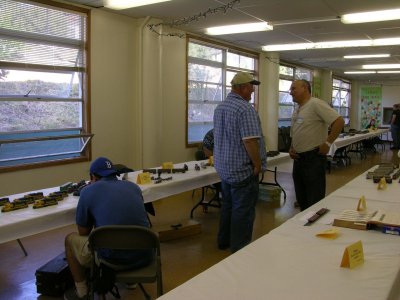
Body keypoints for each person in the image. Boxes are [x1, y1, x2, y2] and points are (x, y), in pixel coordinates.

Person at [64, 157, 152, 300]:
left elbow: (83, 232)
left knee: (69, 240)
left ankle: (81, 291)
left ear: (93, 176)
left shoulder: (87, 192)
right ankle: (131, 281)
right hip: (145, 254)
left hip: (111, 260)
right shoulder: (133, 187)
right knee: (127, 230)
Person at [213, 72, 267, 253]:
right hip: (242, 171)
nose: (252, 91)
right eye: (252, 87)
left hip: (224, 169)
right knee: (242, 212)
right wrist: (258, 165)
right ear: (243, 87)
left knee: (227, 207)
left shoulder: (220, 107)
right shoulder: (245, 109)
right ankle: (239, 250)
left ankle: (224, 241)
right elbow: (250, 141)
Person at [289, 79, 344, 211]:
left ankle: (314, 228)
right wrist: (292, 147)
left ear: (305, 88)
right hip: (298, 159)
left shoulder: (316, 104)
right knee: (302, 199)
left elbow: (339, 121)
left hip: (313, 158)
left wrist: (327, 143)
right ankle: (303, 228)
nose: (290, 92)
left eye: (293, 89)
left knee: (314, 200)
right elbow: (296, 132)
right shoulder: (297, 110)